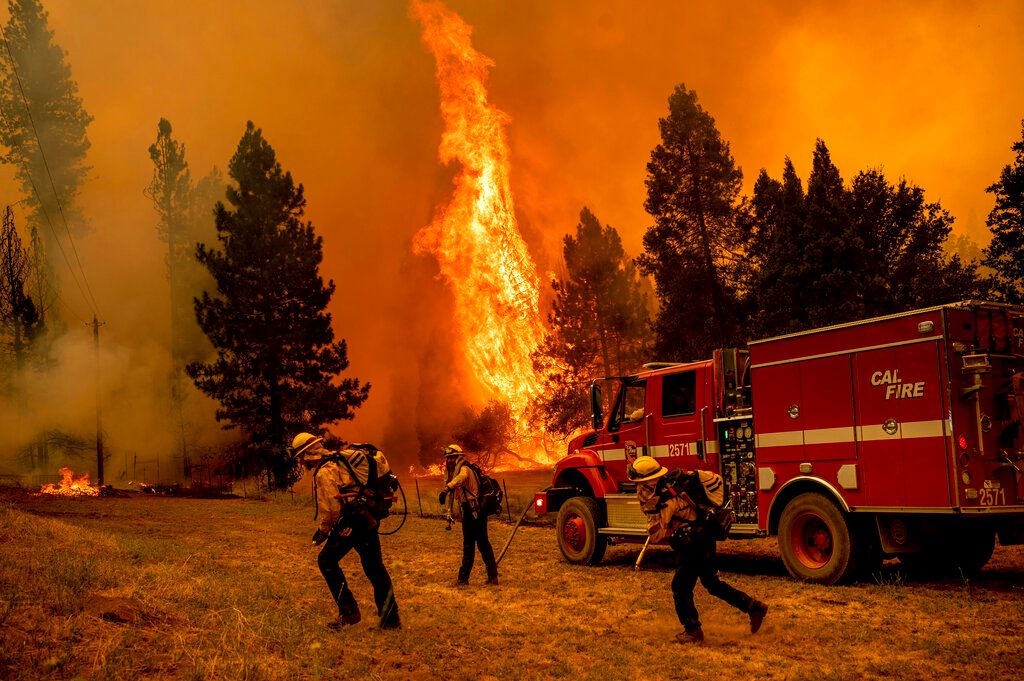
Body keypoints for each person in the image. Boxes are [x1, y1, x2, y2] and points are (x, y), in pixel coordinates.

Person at [628, 455, 768, 644]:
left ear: (648, 481)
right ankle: (753, 607)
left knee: (681, 586)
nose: (639, 489)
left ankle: (693, 631)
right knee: (711, 583)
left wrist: (655, 524)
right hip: (704, 537)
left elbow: (657, 535)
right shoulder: (674, 487)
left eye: (640, 484)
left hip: (691, 543)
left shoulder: (667, 499)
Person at [293, 432, 401, 630]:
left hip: (353, 520)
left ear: (307, 455)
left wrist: (323, 531)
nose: (301, 463)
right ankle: (391, 619)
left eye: (300, 458)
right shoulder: (339, 461)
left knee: (326, 560)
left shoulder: (325, 471)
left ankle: (349, 612)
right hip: (367, 517)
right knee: (375, 567)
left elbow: (331, 509)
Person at [439, 444, 498, 586]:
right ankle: (482, 577)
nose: (450, 461)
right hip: (468, 509)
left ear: (459, 457)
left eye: (452, 458)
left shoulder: (464, 469)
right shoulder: (454, 471)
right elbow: (455, 494)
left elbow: (461, 478)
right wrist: (449, 511)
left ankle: (470, 578)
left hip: (475, 510)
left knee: (476, 544)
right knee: (474, 544)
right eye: (448, 458)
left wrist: (447, 488)